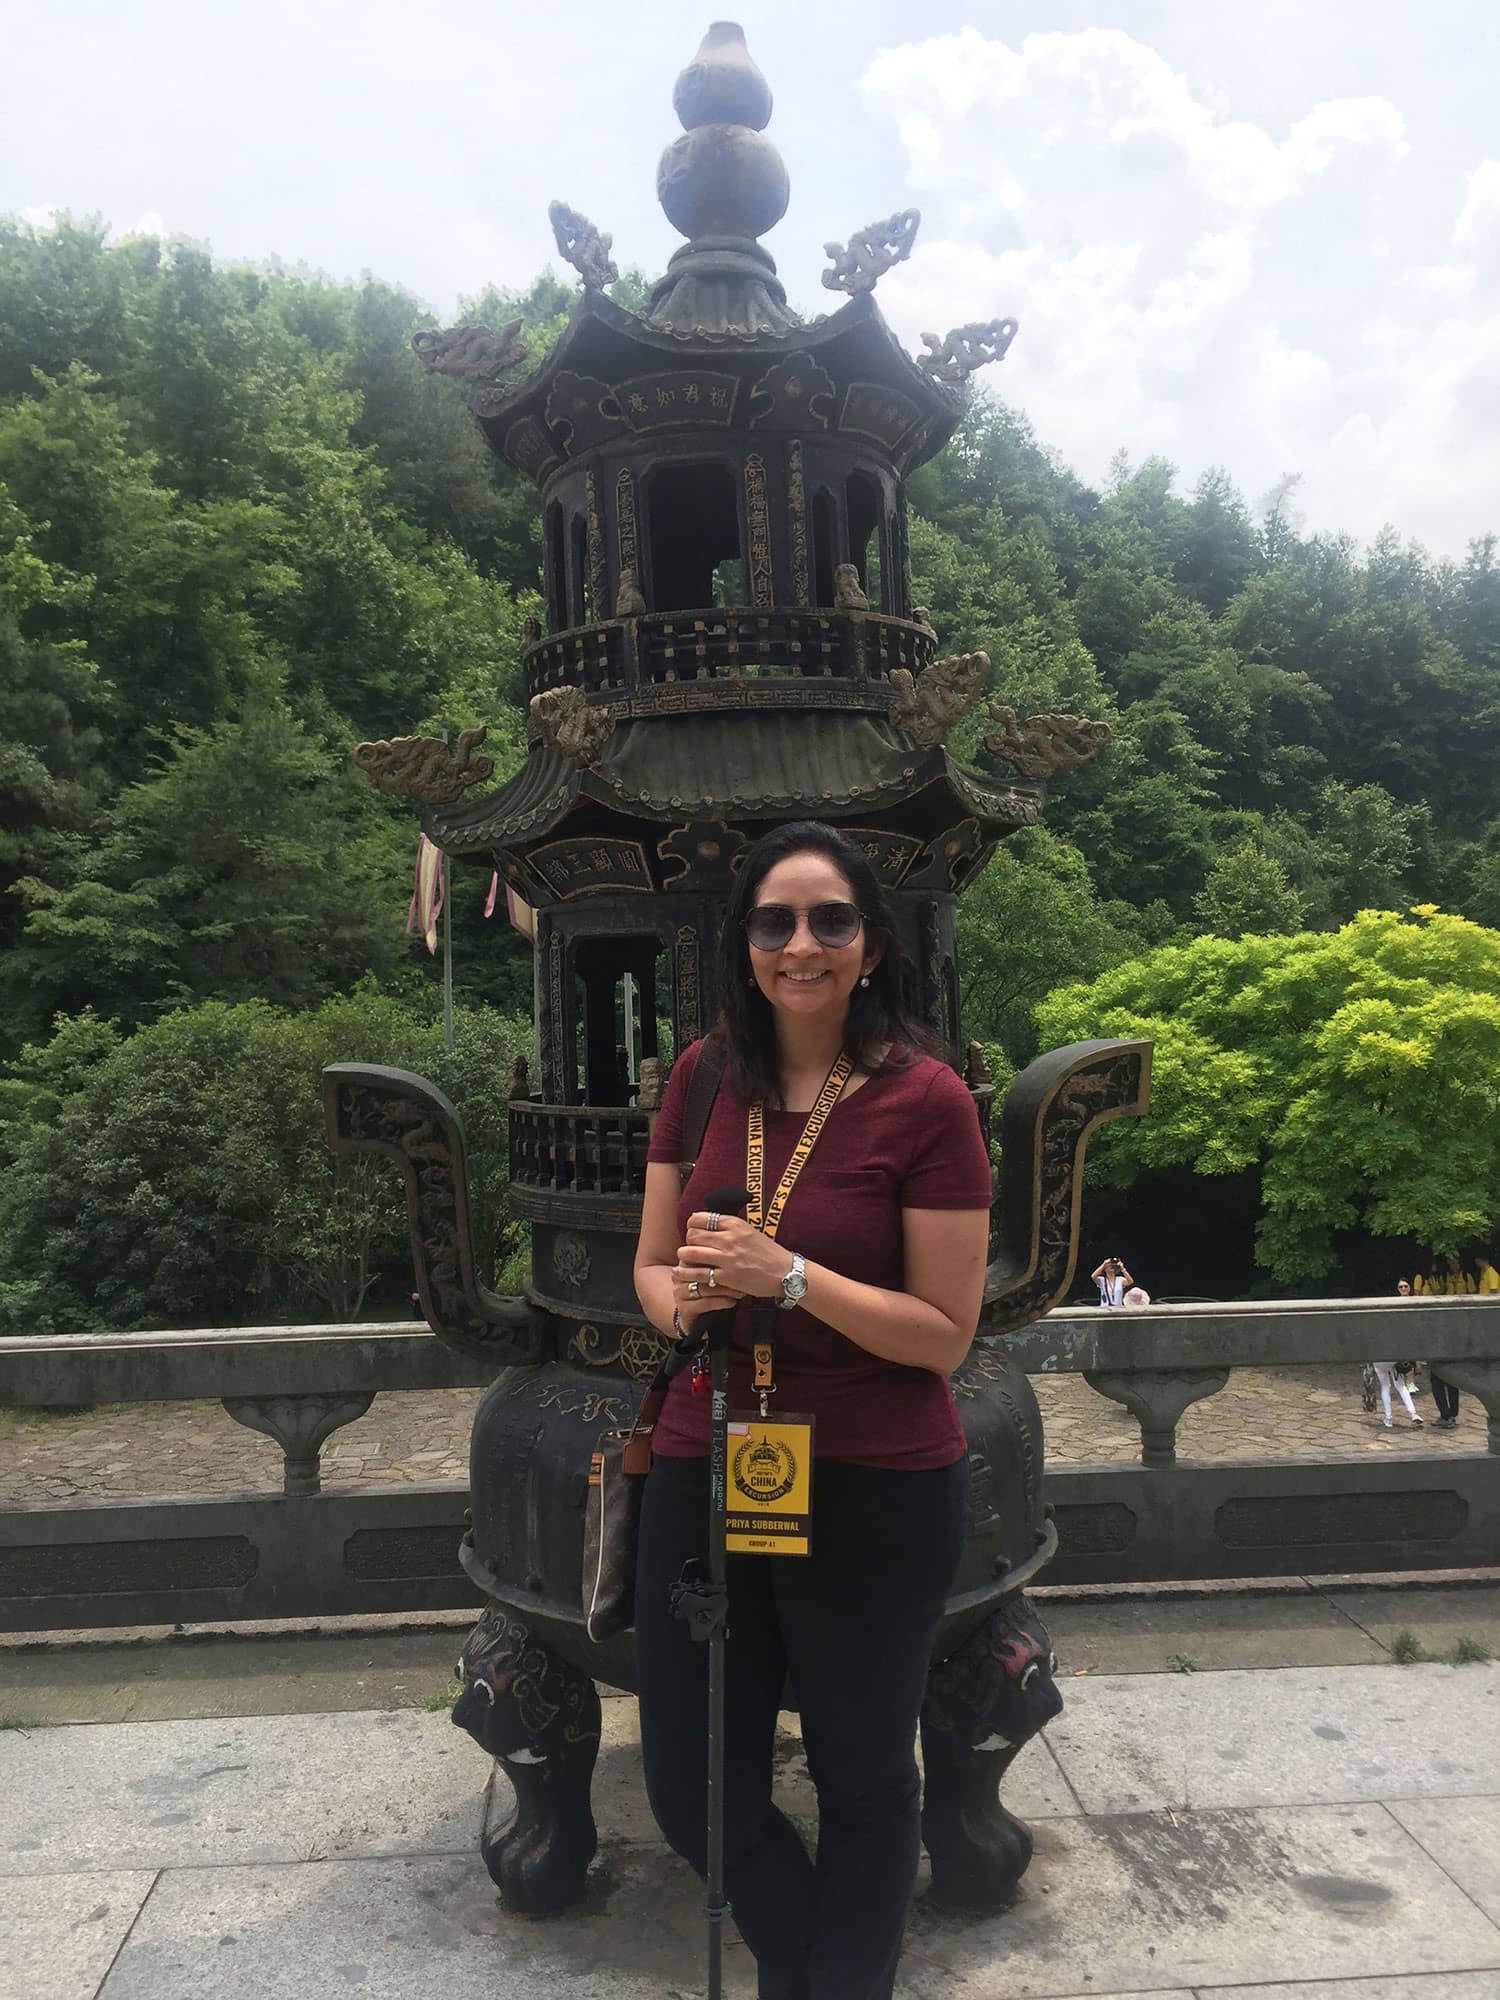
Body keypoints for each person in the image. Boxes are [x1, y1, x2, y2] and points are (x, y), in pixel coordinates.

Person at [632, 819, 992, 2000]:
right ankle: (809, 1973)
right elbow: (651, 1266)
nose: (802, 944)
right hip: (709, 1453)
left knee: (864, 1772)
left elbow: (944, 1332)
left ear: (871, 945)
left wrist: (787, 1275)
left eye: (831, 919)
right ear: (744, 945)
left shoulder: (927, 1099)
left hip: (876, 1472)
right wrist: (686, 1299)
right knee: (692, 1781)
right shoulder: (701, 1075)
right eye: (775, 920)